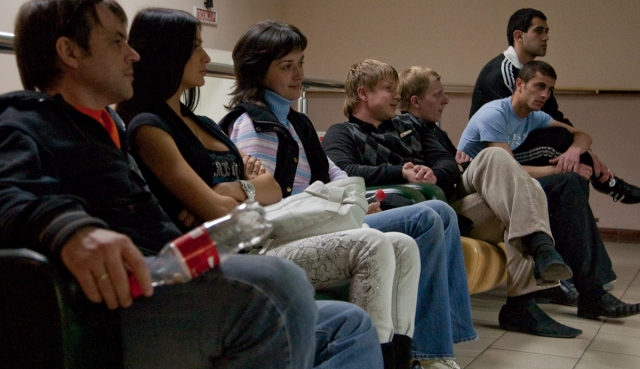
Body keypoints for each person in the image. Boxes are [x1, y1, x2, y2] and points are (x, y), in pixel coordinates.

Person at [0, 0, 383, 369]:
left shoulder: (108, 125)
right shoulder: (24, 120)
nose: (133, 54)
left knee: (348, 323)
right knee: (278, 285)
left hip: (167, 273)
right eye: (117, 42)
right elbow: (8, 193)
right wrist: (70, 230)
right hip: (114, 302)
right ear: (69, 52)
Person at [116, 9, 416, 369]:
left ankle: (401, 360)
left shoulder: (205, 123)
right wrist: (235, 195)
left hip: (254, 236)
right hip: (236, 251)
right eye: (196, 47)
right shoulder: (150, 127)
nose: (207, 57)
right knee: (374, 243)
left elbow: (271, 187)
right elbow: (218, 210)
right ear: (167, 53)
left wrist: (232, 191)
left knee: (402, 244)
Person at [219, 20, 476, 369]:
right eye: (286, 66)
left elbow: (336, 175)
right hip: (285, 234)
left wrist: (358, 202)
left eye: (300, 63)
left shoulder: (297, 122)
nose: (299, 74)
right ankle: (418, 355)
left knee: (426, 222)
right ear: (257, 70)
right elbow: (265, 202)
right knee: (423, 219)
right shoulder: (252, 125)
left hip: (320, 221)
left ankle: (419, 356)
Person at [322, 60, 587, 338]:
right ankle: (532, 276)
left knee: (498, 159)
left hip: (452, 205)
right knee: (523, 196)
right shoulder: (343, 133)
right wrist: (401, 172)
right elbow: (344, 171)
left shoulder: (410, 124)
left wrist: (432, 175)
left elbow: (447, 163)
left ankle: (530, 283)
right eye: (389, 89)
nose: (397, 96)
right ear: (363, 93)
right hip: (412, 212)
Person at [459, 60, 640, 324]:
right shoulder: (494, 114)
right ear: (519, 85)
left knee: (572, 183)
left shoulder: (533, 116)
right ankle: (583, 289)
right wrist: (559, 170)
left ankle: (590, 293)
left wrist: (574, 153)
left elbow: (582, 135)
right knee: (566, 182)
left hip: (505, 193)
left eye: (550, 89)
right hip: (477, 196)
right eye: (539, 86)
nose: (545, 94)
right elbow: (509, 171)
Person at [470, 8, 640, 204]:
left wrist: (582, 150)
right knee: (562, 152)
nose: (546, 37)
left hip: (519, 143)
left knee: (569, 150)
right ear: (518, 36)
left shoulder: (534, 74)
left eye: (547, 31)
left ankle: (598, 189)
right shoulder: (502, 73)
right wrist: (577, 152)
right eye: (539, 31)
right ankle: (607, 184)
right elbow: (511, 128)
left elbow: (556, 119)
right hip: (494, 155)